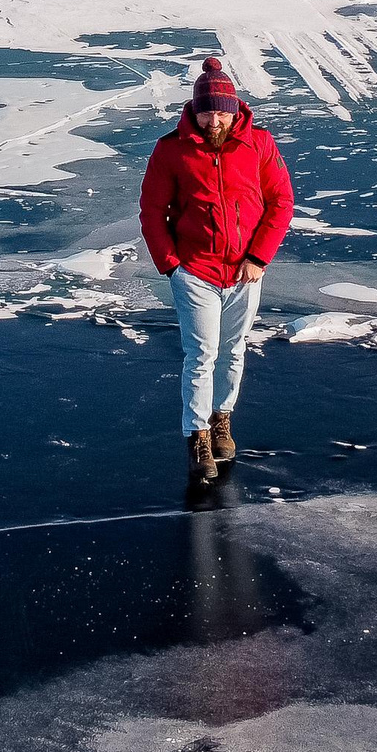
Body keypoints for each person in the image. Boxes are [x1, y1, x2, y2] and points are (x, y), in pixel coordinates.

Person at [138, 56, 294, 483]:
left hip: (246, 272)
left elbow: (281, 202)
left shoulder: (259, 144)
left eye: (222, 111)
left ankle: (222, 418)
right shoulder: (172, 149)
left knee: (235, 349)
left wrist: (259, 257)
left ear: (235, 108)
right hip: (196, 272)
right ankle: (198, 437)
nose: (215, 119)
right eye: (207, 111)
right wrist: (172, 266)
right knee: (201, 355)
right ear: (194, 109)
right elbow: (152, 211)